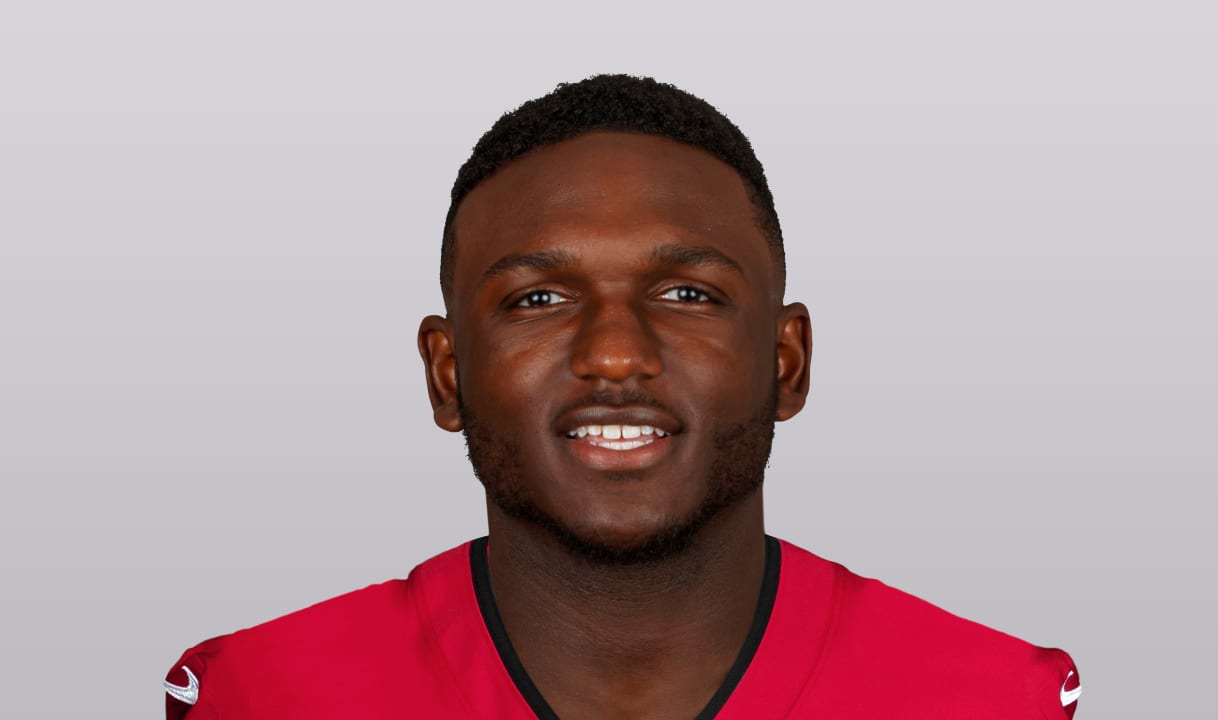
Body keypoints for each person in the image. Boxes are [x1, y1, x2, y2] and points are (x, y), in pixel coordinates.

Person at [164, 74, 1081, 719]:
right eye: (537, 300)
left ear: (788, 362)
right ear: (446, 373)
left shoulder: (993, 701)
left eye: (687, 293)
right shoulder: (262, 696)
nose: (613, 355)